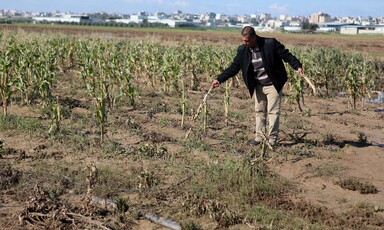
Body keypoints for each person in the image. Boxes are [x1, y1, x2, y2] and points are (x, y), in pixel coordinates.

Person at [211, 26, 304, 147]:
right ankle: (259, 137)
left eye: (247, 40)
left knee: (273, 111)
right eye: (243, 40)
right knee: (259, 111)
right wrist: (219, 79)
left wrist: (297, 66)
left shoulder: (270, 44)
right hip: (258, 84)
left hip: (273, 84)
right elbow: (234, 67)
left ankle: (272, 140)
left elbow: (286, 55)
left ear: (254, 37)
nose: (245, 43)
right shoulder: (243, 50)